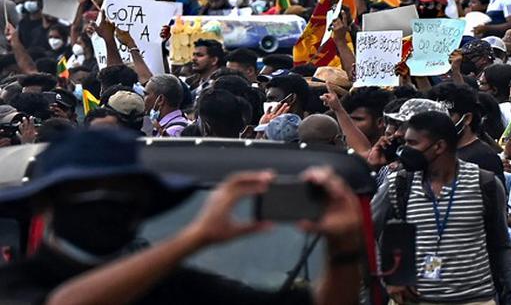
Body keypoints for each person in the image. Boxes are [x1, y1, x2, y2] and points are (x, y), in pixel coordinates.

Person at [0, 129, 364, 304]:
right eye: (86, 191)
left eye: (122, 192)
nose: (106, 203)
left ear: (143, 203)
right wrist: (194, 237)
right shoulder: (15, 283)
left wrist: (343, 248)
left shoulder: (176, 287)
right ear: (46, 203)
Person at [370, 110, 511, 304]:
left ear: (439, 146)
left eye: (412, 144)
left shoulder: (484, 184)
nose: (404, 151)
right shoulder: (399, 184)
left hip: (474, 300)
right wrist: (390, 276)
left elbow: (502, 245)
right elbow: (365, 232)